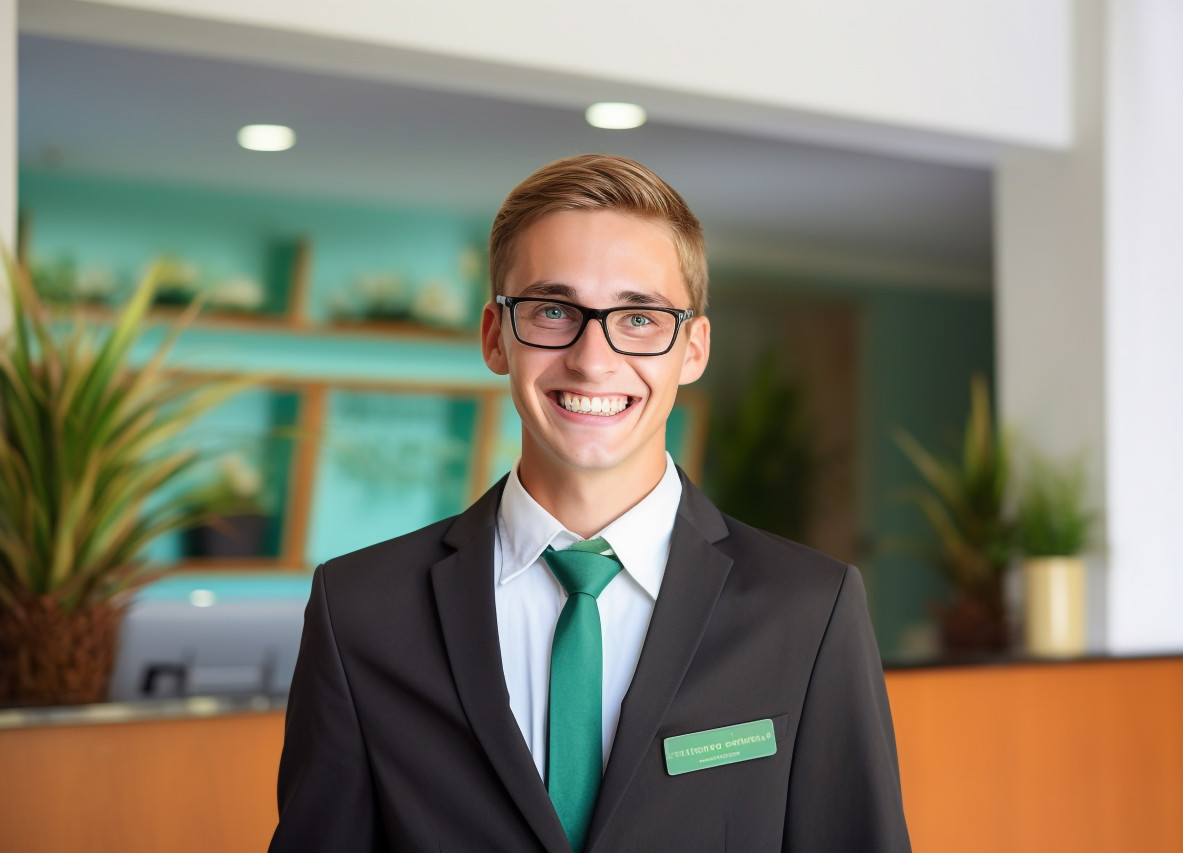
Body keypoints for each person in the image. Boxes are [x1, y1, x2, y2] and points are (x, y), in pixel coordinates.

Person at [269, 154, 911, 852]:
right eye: (552, 310)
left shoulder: (808, 609)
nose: (592, 358)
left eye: (638, 317)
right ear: (495, 336)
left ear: (691, 349)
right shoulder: (360, 608)